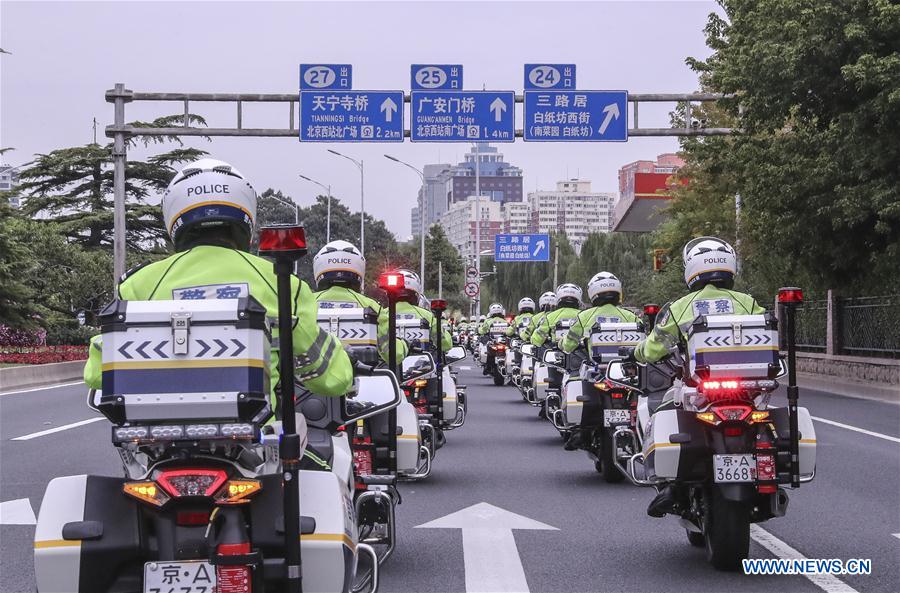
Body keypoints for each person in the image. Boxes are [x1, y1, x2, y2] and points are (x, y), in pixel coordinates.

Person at [83, 158, 353, 419]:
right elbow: (332, 379)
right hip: (257, 436)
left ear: (173, 216)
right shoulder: (281, 283)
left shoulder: (139, 285)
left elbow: (97, 374)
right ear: (246, 213)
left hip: (158, 438)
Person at [633, 237, 765, 518]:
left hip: (700, 387)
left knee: (662, 411)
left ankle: (670, 486)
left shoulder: (681, 307)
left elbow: (654, 347)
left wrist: (638, 352)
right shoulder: (748, 303)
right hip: (747, 389)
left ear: (691, 268)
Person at [312, 239, 407, 363]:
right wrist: (405, 345)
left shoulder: (306, 302)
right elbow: (395, 354)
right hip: (360, 373)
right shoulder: (371, 306)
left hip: (310, 373)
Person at [560, 272, 639, 354]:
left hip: (595, 361)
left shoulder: (584, 316)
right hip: (626, 361)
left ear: (592, 291)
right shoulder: (630, 316)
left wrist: (561, 343)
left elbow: (568, 346)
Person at [394, 269, 452, 353]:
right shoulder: (427, 315)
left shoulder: (383, 315)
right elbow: (446, 344)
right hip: (421, 360)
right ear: (417, 293)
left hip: (388, 361)